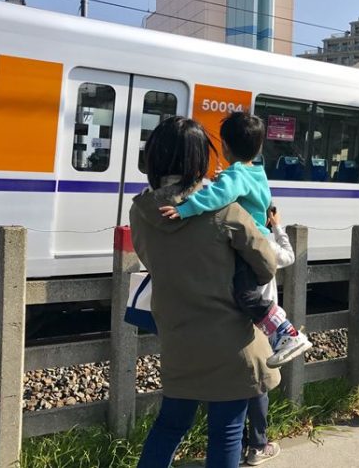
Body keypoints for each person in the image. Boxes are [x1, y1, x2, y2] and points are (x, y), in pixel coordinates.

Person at [130, 116, 281, 468]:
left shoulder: (141, 212)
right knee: (226, 431)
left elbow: (149, 259)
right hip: (232, 343)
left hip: (179, 338)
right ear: (200, 160)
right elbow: (267, 265)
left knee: (169, 426)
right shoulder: (227, 211)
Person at [160, 112, 311, 367]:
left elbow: (218, 197)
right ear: (259, 147)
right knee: (251, 296)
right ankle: (277, 337)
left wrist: (186, 208)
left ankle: (287, 333)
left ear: (225, 146)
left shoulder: (236, 176)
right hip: (260, 240)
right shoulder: (256, 172)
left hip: (250, 244)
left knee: (246, 295)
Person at [241, 206, 293, 466]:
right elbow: (289, 256)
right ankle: (258, 445)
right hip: (264, 324)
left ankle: (237, 444)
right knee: (260, 383)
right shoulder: (265, 246)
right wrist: (277, 227)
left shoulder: (228, 246)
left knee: (236, 382)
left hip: (233, 320)